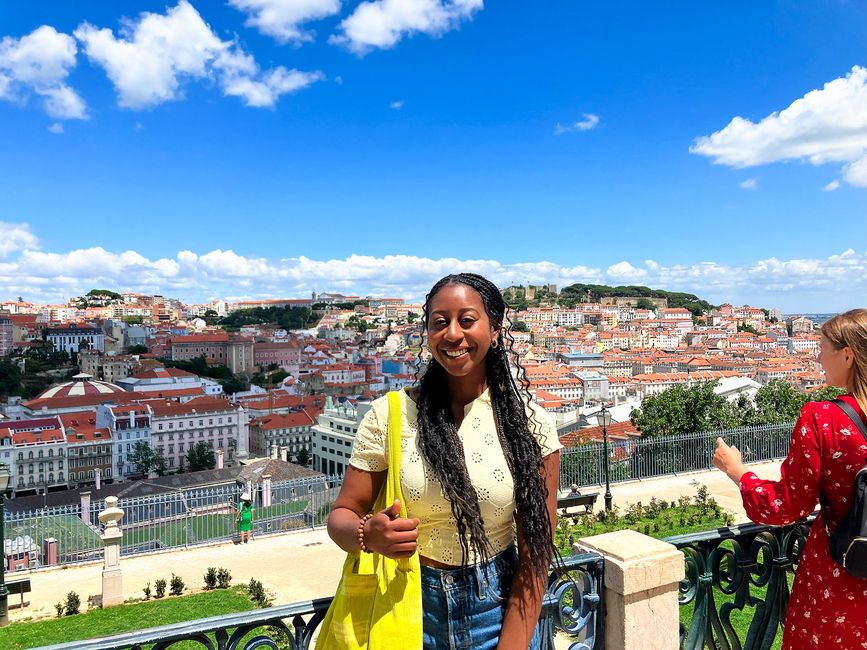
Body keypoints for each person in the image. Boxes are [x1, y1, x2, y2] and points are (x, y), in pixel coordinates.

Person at [327, 273, 561, 650]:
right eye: (440, 322)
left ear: (496, 329)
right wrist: (367, 535)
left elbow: (535, 556)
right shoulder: (390, 416)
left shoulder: (530, 426)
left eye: (467, 320)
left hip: (497, 613)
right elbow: (341, 515)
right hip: (403, 608)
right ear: (427, 332)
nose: (453, 334)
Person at [712, 308, 867, 650]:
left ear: (848, 355)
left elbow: (786, 507)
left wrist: (738, 471)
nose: (817, 356)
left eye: (822, 347)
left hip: (842, 580)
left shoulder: (823, 419)